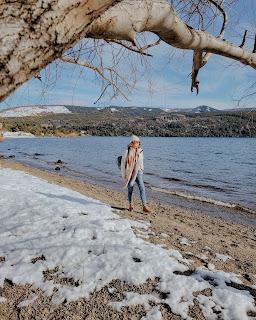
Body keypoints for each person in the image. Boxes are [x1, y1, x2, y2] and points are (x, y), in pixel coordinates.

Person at [121, 135, 151, 213]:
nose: (138, 143)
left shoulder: (140, 151)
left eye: (139, 142)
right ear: (132, 143)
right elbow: (122, 165)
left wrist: (141, 168)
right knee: (130, 187)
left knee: (142, 187)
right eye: (136, 142)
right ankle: (130, 205)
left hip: (138, 172)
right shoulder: (126, 152)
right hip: (129, 172)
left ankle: (144, 206)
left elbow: (141, 161)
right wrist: (124, 175)